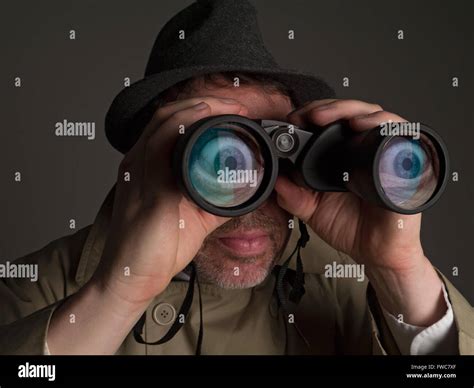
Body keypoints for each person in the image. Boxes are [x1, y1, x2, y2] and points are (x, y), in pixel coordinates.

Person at [0, 0, 472, 355]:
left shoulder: (348, 281)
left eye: (272, 155)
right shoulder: (35, 286)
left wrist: (399, 269)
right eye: (222, 158)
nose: (252, 199)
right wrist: (119, 290)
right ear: (152, 159)